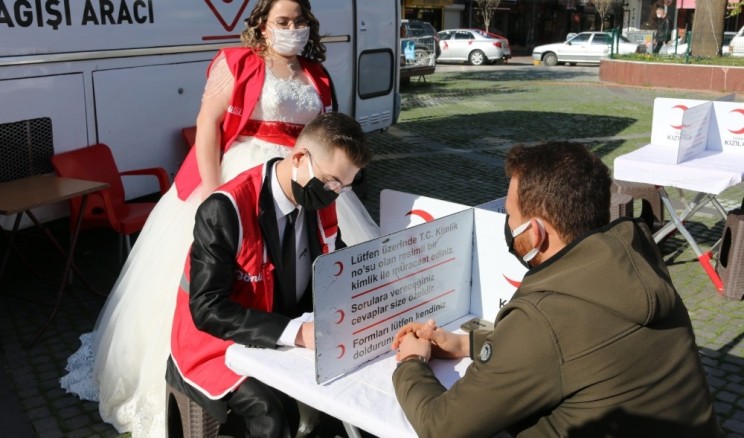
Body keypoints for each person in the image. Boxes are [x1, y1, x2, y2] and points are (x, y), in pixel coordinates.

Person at [59, 0, 379, 435]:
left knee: (309, 266)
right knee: (216, 277)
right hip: (241, 174)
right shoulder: (235, 62)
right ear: (263, 25)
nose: (293, 28)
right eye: (282, 21)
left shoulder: (317, 73)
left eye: (300, 21)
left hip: (305, 176)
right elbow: (208, 124)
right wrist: (212, 192)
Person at [390, 142, 721, 437]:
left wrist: (412, 362)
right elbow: (575, 348)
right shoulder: (636, 263)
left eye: (509, 214)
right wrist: (465, 343)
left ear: (535, 234)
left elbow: (441, 427)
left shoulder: (543, 317)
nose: (506, 223)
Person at [167, 111, 372, 436]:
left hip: (289, 326)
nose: (335, 194)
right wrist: (298, 333)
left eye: (345, 186)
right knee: (273, 414)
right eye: (333, 182)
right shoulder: (225, 209)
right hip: (220, 343)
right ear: (300, 157)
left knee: (359, 389)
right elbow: (207, 310)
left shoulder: (321, 200)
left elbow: (336, 265)